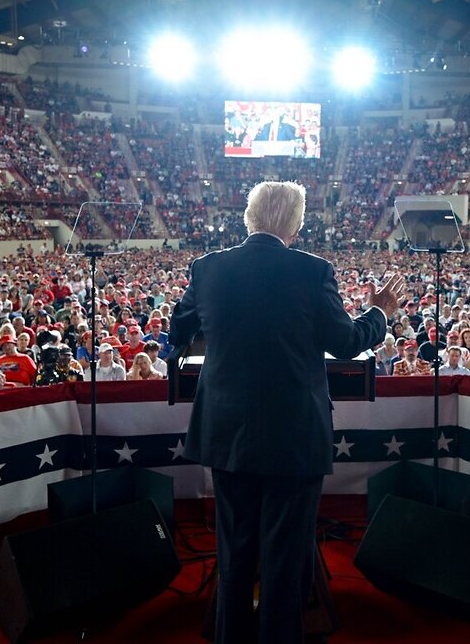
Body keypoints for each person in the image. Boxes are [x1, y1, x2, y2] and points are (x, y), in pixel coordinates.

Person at [168, 181, 398, 644]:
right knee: (285, 556)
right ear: (296, 223)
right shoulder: (313, 271)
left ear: (249, 217)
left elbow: (178, 329)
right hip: (293, 435)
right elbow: (348, 342)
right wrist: (379, 312)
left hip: (227, 430)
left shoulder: (208, 268)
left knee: (234, 550)